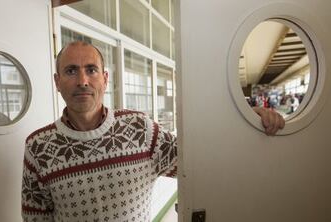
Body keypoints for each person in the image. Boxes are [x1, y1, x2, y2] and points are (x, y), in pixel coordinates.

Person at [21, 41, 285, 222]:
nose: (82, 81)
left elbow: (199, 156)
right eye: (70, 71)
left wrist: (248, 120)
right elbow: (36, 218)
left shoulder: (139, 129)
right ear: (57, 82)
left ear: (105, 78)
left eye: (91, 70)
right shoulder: (38, 146)